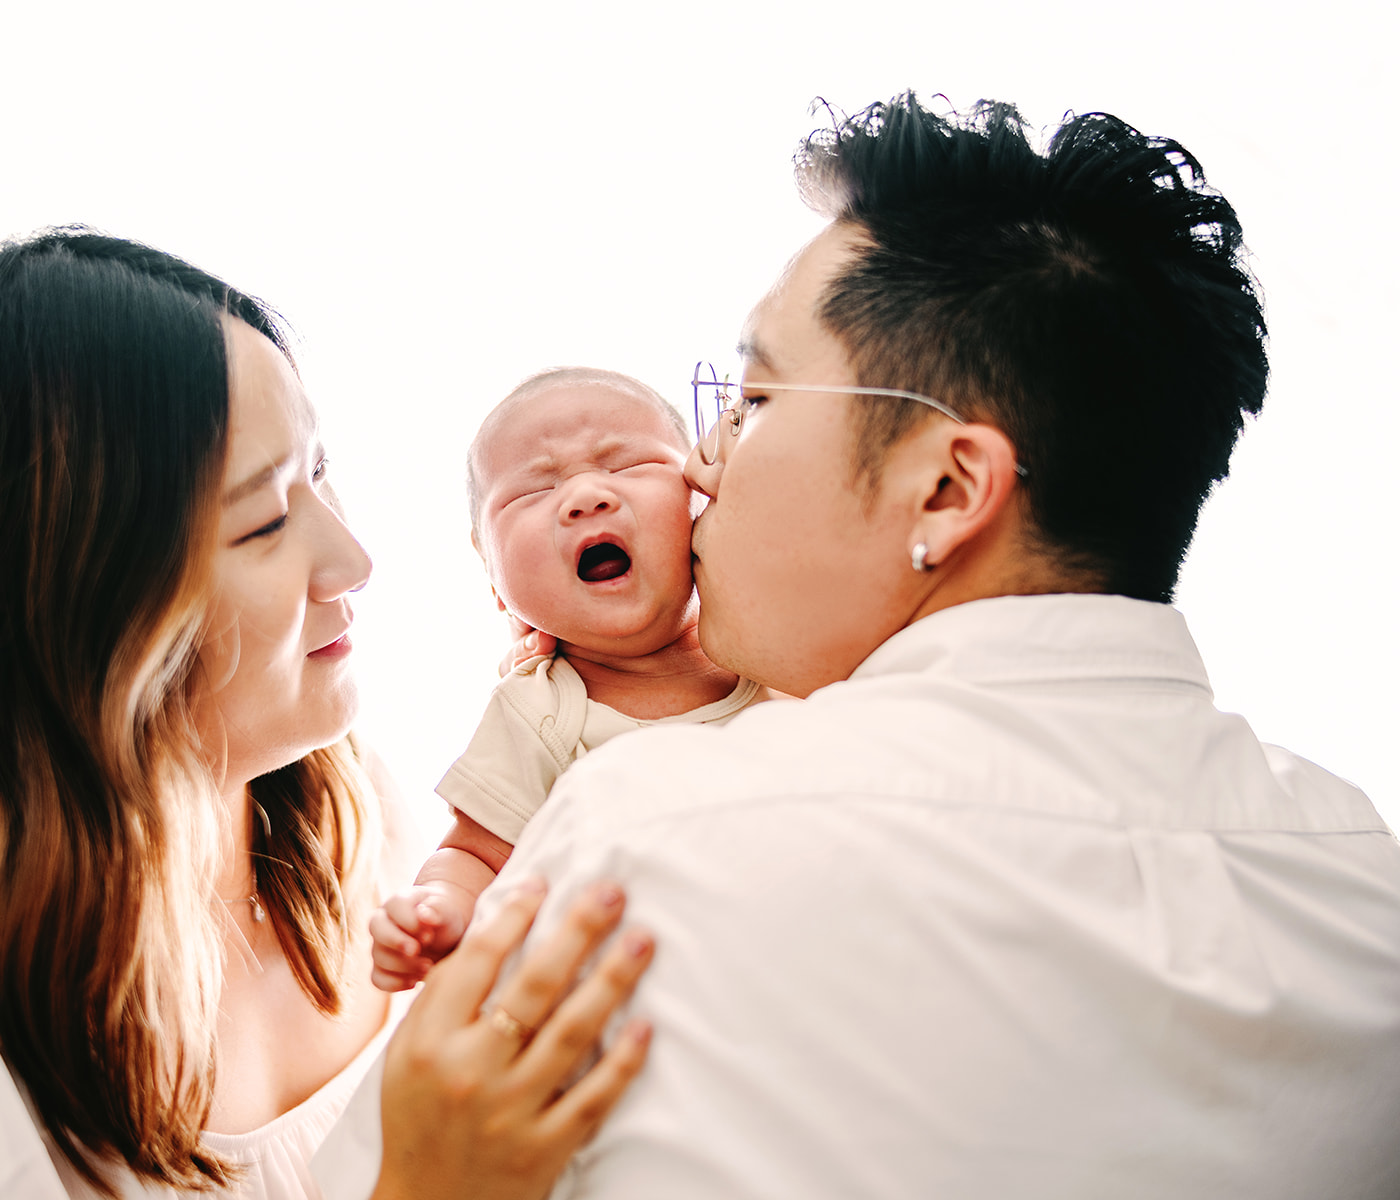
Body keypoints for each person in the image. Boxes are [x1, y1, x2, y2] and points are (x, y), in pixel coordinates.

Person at [322, 94, 1400, 1199]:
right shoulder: (1365, 894)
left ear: (945, 488)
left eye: (750, 399)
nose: (699, 470)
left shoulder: (644, 842)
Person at [0, 230, 653, 1200]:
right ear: (71, 608)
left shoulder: (355, 825)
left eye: (318, 475)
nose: (353, 562)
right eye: (262, 523)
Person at [369, 369, 766, 992]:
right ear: (492, 576)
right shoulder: (539, 714)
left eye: (629, 464)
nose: (585, 495)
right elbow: (474, 856)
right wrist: (440, 908)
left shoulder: (782, 650)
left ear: (706, 498)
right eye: (532, 492)